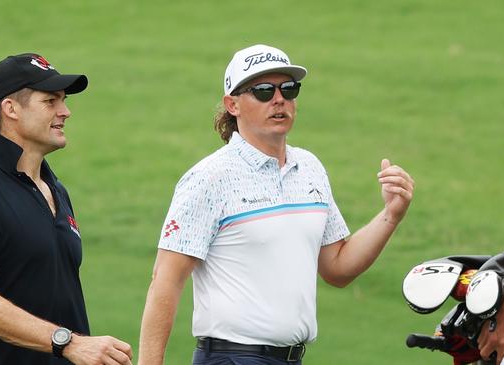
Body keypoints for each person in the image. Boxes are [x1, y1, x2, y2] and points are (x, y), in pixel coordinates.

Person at [137, 44, 415, 365]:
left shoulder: (310, 168)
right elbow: (166, 280)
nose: (279, 99)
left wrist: (391, 216)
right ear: (233, 105)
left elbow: (337, 268)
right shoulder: (209, 178)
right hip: (232, 357)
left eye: (289, 89)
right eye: (264, 91)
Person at [0, 53, 133, 365]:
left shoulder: (56, 190)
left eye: (64, 100)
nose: (65, 111)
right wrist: (68, 344)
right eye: (50, 101)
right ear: (11, 109)